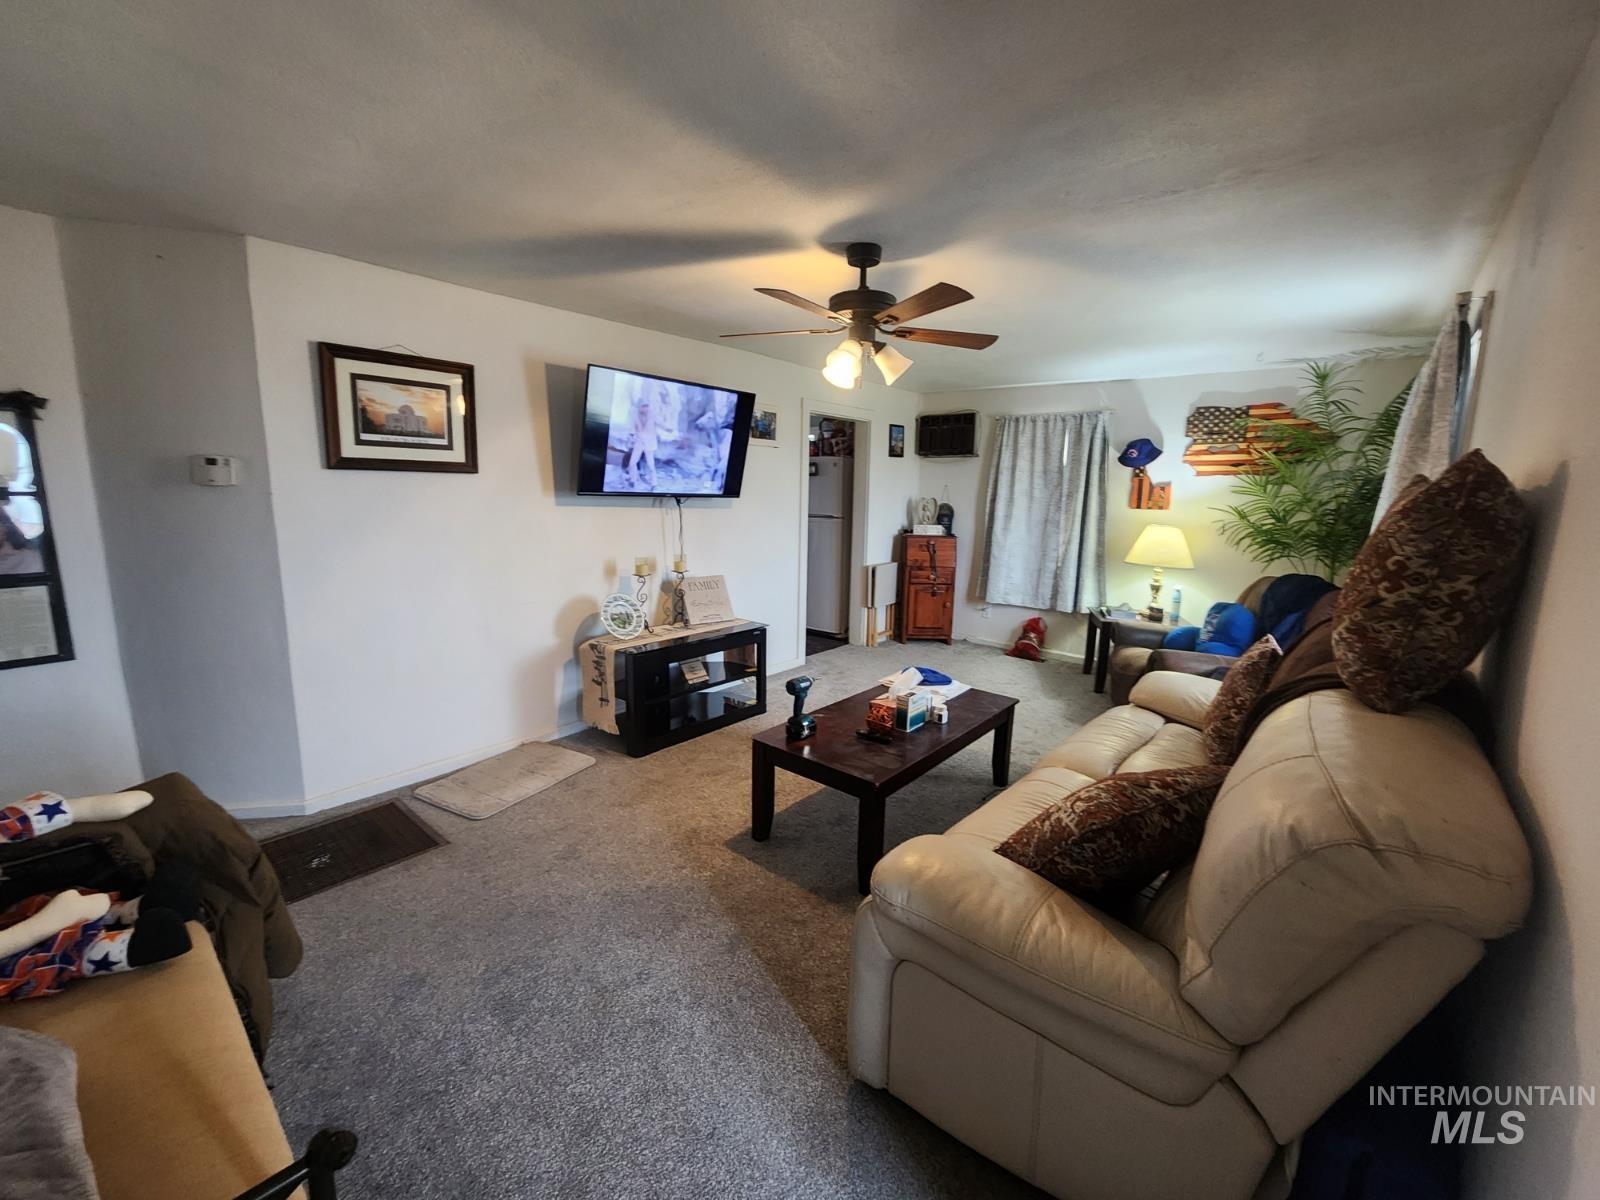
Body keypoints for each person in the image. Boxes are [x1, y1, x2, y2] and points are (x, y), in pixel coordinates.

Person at [624, 384, 661, 490]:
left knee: (651, 465)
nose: (645, 408)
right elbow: (633, 429)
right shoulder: (636, 416)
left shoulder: (652, 415)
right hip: (639, 442)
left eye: (646, 406)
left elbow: (660, 423)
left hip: (649, 444)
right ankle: (633, 480)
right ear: (640, 407)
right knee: (632, 463)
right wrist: (631, 436)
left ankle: (654, 483)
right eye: (643, 406)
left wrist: (669, 429)